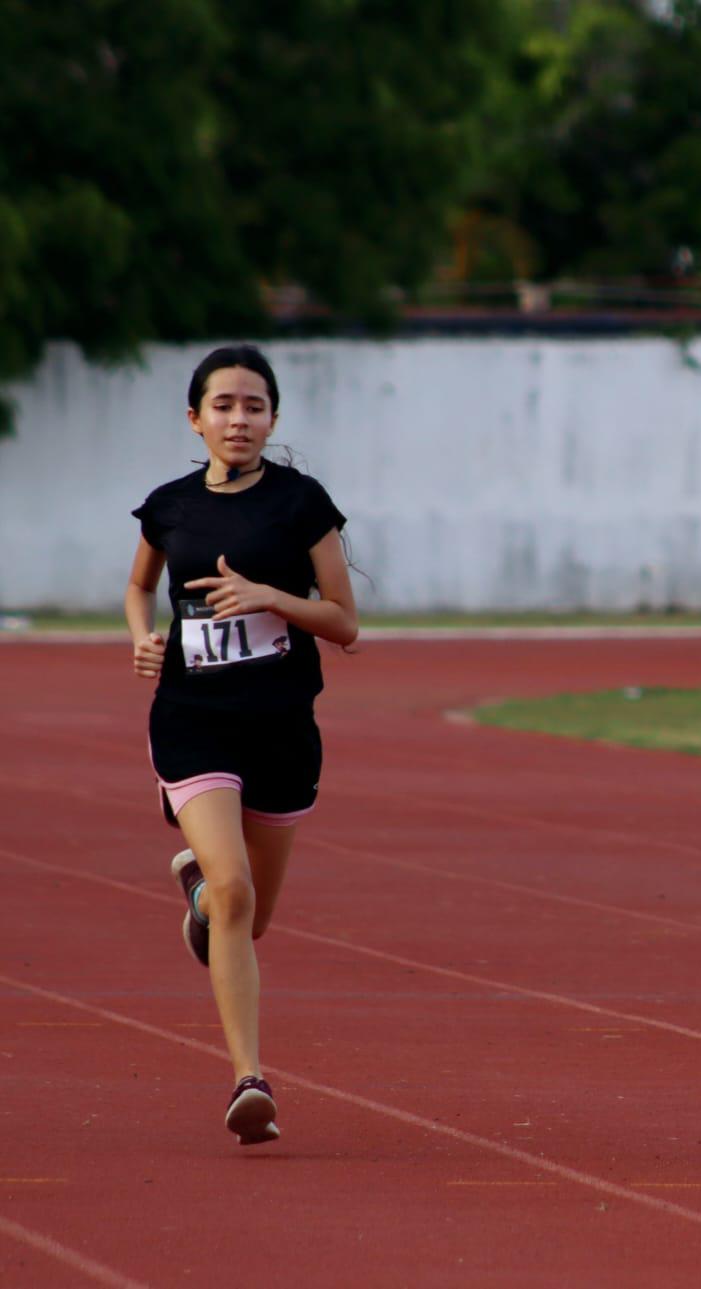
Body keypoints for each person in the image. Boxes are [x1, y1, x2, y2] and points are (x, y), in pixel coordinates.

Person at [125, 345, 359, 1144]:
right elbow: (138, 584)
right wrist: (142, 637)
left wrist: (270, 596)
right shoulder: (169, 506)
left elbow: (346, 622)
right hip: (192, 720)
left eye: (254, 406)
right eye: (223, 405)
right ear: (196, 418)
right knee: (235, 895)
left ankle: (197, 887)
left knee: (249, 918)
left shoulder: (303, 504)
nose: (239, 419)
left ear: (273, 418)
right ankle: (248, 1079)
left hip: (282, 728)